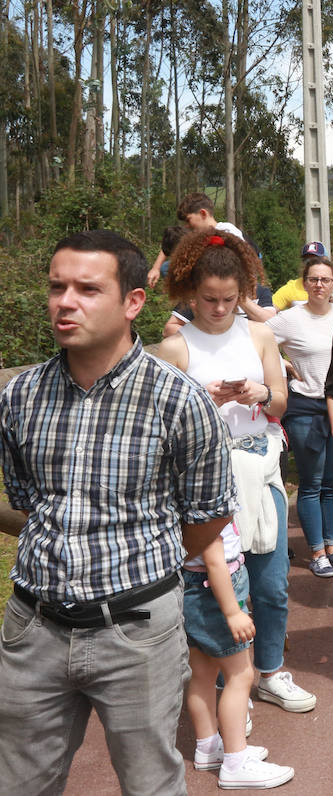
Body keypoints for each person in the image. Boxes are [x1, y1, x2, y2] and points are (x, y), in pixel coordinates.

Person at [0, 230, 236, 794]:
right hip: (33, 627)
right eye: (58, 287)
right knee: (20, 782)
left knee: (150, 780)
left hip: (137, 633)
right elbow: (26, 502)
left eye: (87, 288)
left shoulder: (178, 399)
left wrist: (141, 566)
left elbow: (208, 514)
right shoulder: (20, 395)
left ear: (133, 302)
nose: (65, 301)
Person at [157, 230, 319, 716]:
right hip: (205, 478)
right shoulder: (174, 347)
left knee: (270, 583)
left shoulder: (260, 333)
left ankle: (267, 672)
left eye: (230, 299)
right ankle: (229, 686)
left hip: (260, 466)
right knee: (213, 585)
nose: (220, 308)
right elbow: (162, 428)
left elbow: (283, 400)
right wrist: (201, 403)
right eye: (209, 299)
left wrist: (260, 394)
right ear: (190, 290)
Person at [181, 520, 294, 788]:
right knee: (240, 675)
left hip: (194, 587)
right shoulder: (208, 504)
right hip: (216, 590)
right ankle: (235, 762)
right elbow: (214, 559)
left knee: (203, 673)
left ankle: (207, 747)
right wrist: (232, 612)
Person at [268, 255, 333, 578]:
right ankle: (316, 551)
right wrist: (284, 368)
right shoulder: (290, 319)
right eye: (313, 279)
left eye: (325, 280)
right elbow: (258, 341)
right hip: (306, 408)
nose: (319, 285)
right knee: (312, 483)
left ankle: (332, 546)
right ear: (304, 284)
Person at [146, 192, 246, 288]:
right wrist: (156, 268)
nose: (187, 226)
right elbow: (171, 242)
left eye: (188, 220)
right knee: (166, 268)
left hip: (223, 276)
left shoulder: (226, 230)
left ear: (203, 213)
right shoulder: (196, 232)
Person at [271, 241, 329, 310]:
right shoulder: (292, 287)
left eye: (316, 260)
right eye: (307, 260)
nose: (310, 264)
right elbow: (269, 310)